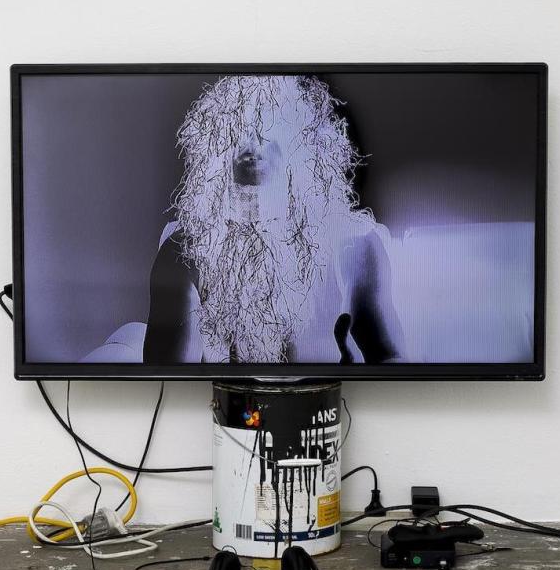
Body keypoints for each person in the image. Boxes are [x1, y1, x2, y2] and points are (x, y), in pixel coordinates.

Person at [144, 75, 407, 365]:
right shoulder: (184, 252)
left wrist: (356, 377)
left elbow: (390, 359)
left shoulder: (354, 244)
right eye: (238, 128)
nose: (252, 144)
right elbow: (170, 373)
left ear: (300, 140)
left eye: (268, 126)